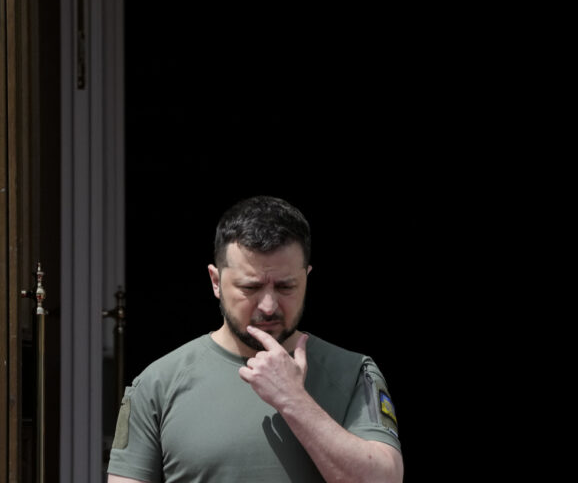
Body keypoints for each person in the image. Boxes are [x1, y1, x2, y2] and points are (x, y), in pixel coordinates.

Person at [107, 196, 403, 482]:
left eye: (286, 286)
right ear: (215, 282)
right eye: (250, 287)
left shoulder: (352, 374)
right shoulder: (156, 384)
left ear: (307, 279)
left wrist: (294, 401)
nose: (269, 306)